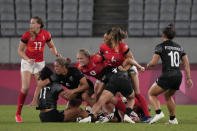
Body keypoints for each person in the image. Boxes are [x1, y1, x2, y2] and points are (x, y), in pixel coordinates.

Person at [100, 27, 151, 122]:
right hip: (119, 71)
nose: (105, 40)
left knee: (136, 93)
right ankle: (135, 111)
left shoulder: (123, 46)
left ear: (112, 38)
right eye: (104, 38)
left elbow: (130, 61)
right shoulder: (105, 47)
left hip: (130, 69)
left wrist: (124, 69)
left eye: (106, 38)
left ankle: (147, 115)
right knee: (122, 95)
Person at [16, 16, 61, 122]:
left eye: (33, 23)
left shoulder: (46, 34)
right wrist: (27, 59)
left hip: (39, 63)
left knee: (43, 87)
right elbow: (20, 50)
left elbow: (51, 46)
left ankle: (46, 113)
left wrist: (56, 53)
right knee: (25, 88)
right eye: (30, 23)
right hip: (28, 62)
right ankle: (18, 114)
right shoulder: (27, 35)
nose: (30, 25)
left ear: (39, 25)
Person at [147, 24, 193, 124]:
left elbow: (154, 63)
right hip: (178, 75)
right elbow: (186, 64)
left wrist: (147, 65)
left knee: (151, 93)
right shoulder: (180, 47)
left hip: (168, 75)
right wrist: (189, 78)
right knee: (168, 96)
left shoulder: (160, 46)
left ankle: (158, 112)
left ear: (163, 35)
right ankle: (173, 119)